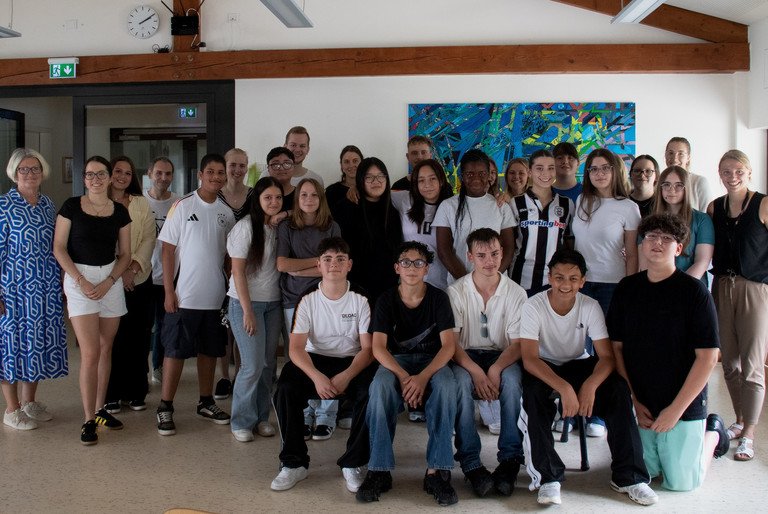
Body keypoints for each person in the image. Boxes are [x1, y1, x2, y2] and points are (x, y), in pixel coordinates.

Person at [518, 248, 657, 506]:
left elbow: (606, 357)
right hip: (544, 365)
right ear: (549, 278)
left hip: (578, 363)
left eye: (573, 279)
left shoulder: (590, 305)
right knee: (533, 395)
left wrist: (590, 385)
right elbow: (529, 359)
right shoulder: (533, 305)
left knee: (617, 388)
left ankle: (629, 477)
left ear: (582, 281)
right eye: (559, 277)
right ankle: (548, 478)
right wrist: (564, 388)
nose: (565, 284)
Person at [609, 213, 728, 492]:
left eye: (666, 238)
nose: (657, 243)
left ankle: (713, 432)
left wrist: (675, 411)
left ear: (679, 248)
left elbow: (708, 357)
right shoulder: (627, 289)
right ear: (641, 244)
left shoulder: (695, 292)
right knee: (646, 473)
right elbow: (617, 349)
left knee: (682, 483)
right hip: (643, 400)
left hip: (683, 401)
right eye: (651, 236)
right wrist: (634, 400)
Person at [270, 237, 376, 493]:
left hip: (352, 361)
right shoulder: (307, 298)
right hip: (314, 359)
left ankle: (353, 462)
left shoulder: (361, 297)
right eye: (327, 259)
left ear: (349, 265)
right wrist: (316, 376)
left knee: (372, 391)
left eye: (340, 259)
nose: (333, 264)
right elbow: (296, 348)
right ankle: (294, 463)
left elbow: (369, 349)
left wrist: (347, 375)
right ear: (318, 265)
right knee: (285, 389)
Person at [357, 241, 459, 506]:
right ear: (396, 268)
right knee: (379, 387)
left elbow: (448, 346)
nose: (411, 267)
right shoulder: (385, 299)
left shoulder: (439, 298)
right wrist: (404, 377)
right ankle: (379, 470)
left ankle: (437, 471)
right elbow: (378, 348)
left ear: (426, 269)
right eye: (405, 262)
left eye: (418, 263)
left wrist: (422, 378)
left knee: (447, 386)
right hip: (396, 362)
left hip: (432, 362)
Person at [155, 154, 236, 436]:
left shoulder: (227, 213)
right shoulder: (182, 205)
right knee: (175, 351)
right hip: (184, 295)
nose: (216, 177)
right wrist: (169, 290)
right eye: (210, 171)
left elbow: (230, 256)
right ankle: (165, 405)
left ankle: (205, 401)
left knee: (210, 351)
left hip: (215, 297)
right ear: (200, 175)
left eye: (220, 172)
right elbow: (167, 250)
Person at [53, 156, 132, 445]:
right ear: (84, 179)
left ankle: (100, 410)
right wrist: (81, 280)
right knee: (90, 352)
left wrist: (110, 281)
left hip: (110, 279)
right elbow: (59, 248)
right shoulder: (71, 206)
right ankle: (88, 419)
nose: (95, 179)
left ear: (109, 178)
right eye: (89, 175)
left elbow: (125, 254)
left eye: (100, 174)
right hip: (80, 279)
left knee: (105, 347)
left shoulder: (120, 211)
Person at [447, 228, 527, 497]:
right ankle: (470, 461)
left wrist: (495, 369)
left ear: (502, 253)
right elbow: (452, 345)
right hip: (465, 355)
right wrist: (476, 373)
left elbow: (518, 344)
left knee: (513, 382)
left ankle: (510, 459)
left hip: (502, 355)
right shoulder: (456, 291)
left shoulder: (516, 292)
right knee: (459, 383)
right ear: (470, 257)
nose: (489, 261)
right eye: (481, 255)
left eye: (494, 253)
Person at [570, 148, 640, 437]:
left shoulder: (628, 207)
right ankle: (574, 410)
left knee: (604, 352)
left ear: (615, 171)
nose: (599, 173)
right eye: (593, 169)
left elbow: (632, 254)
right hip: (580, 284)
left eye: (605, 168)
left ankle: (599, 414)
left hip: (613, 286)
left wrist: (630, 291)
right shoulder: (582, 201)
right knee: (578, 349)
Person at [707, 149, 768, 461]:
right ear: (720, 174)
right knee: (729, 362)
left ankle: (750, 433)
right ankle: (740, 420)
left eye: (738, 171)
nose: (732, 177)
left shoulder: (763, 204)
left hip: (754, 289)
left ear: (749, 172)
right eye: (726, 172)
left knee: (752, 364)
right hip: (721, 286)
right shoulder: (714, 207)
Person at [0, 148, 67, 430]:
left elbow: (57, 246)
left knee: (36, 345)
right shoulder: (3, 206)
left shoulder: (48, 204)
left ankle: (29, 402)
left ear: (43, 172)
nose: (30, 174)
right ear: (14, 173)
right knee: (12, 347)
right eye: (24, 169)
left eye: (35, 169)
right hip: (13, 290)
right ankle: (11, 409)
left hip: (45, 288)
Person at [277, 178, 342, 441]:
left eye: (314, 195)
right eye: (303, 195)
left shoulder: (332, 226)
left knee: (329, 353)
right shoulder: (287, 226)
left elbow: (334, 266)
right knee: (300, 357)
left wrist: (300, 269)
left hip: (327, 298)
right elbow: (282, 264)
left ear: (321, 199)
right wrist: (317, 263)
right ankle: (304, 413)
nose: (308, 199)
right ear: (297, 199)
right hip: (293, 299)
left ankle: (326, 415)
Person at [228, 177, 283, 442]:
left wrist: (284, 214)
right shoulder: (245, 228)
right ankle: (241, 421)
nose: (273, 202)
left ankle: (262, 418)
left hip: (273, 304)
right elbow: (237, 272)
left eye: (278, 198)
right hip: (245, 304)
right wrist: (248, 311)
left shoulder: (278, 226)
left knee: (268, 365)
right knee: (252, 365)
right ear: (257, 200)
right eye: (267, 198)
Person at [104, 156, 156, 413]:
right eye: (117, 171)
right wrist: (119, 272)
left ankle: (136, 391)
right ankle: (111, 393)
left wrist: (132, 269)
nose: (122, 176)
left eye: (127, 172)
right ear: (109, 174)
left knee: (138, 337)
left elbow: (149, 238)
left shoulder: (141, 203)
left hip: (139, 280)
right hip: (107, 280)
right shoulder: (98, 202)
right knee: (113, 339)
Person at [434, 149, 515, 285]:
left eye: (482, 173)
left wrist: (491, 279)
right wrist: (469, 283)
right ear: (462, 176)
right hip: (460, 284)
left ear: (489, 175)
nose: (476, 178)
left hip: (495, 284)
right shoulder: (448, 206)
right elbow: (444, 251)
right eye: (470, 174)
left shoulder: (501, 206)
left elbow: (508, 248)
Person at [214, 148, 255, 402]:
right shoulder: (214, 195)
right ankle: (224, 376)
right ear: (225, 166)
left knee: (240, 323)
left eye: (242, 165)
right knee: (223, 326)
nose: (237, 170)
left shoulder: (254, 195)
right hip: (217, 265)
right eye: (233, 165)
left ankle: (240, 373)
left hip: (244, 268)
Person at [335, 157, 403, 303]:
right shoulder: (345, 208)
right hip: (354, 289)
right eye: (369, 177)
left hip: (388, 289)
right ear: (361, 180)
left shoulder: (392, 211)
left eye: (380, 176)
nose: (376, 181)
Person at [508, 149, 574, 296]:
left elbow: (569, 243)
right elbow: (508, 244)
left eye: (551, 168)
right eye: (539, 168)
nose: (546, 173)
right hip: (521, 280)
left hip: (555, 281)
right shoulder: (515, 203)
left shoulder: (566, 204)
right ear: (530, 172)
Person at [390, 158, 453, 290]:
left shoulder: (452, 206)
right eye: (421, 180)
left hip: (441, 283)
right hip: (409, 281)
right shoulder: (405, 199)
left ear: (441, 181)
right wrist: (354, 187)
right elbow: (378, 191)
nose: (427, 185)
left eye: (432, 179)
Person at [646, 166, 714, 284]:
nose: (671, 190)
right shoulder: (650, 221)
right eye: (666, 185)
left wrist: (678, 286)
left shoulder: (702, 220)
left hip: (690, 286)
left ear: (686, 188)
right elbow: (644, 262)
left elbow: (702, 261)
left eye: (678, 185)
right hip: (655, 286)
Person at [144, 156, 177, 386]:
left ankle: (159, 366)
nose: (163, 178)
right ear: (150, 174)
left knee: (165, 326)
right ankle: (140, 373)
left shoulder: (178, 202)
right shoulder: (139, 201)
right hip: (143, 275)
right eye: (159, 173)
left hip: (169, 276)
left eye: (168, 174)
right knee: (145, 325)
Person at [664, 137, 713, 212]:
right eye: (671, 153)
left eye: (681, 154)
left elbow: (707, 215)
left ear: (688, 158)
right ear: (665, 155)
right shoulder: (659, 182)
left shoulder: (699, 182)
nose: (674, 159)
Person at [325, 145, 363, 218]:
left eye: (355, 161)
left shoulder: (369, 188)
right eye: (346, 162)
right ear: (341, 165)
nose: (351, 165)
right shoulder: (331, 191)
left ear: (362, 163)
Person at [266, 147, 297, 227]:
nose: (281, 168)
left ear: (294, 167)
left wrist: (286, 213)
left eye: (287, 164)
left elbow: (311, 214)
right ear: (268, 169)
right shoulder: (260, 194)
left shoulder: (302, 194)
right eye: (275, 164)